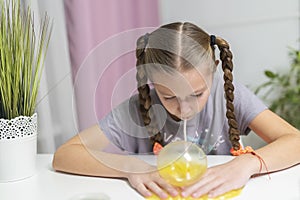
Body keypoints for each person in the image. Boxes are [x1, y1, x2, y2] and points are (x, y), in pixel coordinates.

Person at [52, 22, 300, 199]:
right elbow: (65, 155)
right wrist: (133, 168)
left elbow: (295, 141)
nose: (185, 108)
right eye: (169, 96)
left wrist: (247, 164)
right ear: (150, 80)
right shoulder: (138, 108)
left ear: (213, 71)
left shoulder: (229, 96)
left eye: (197, 94)